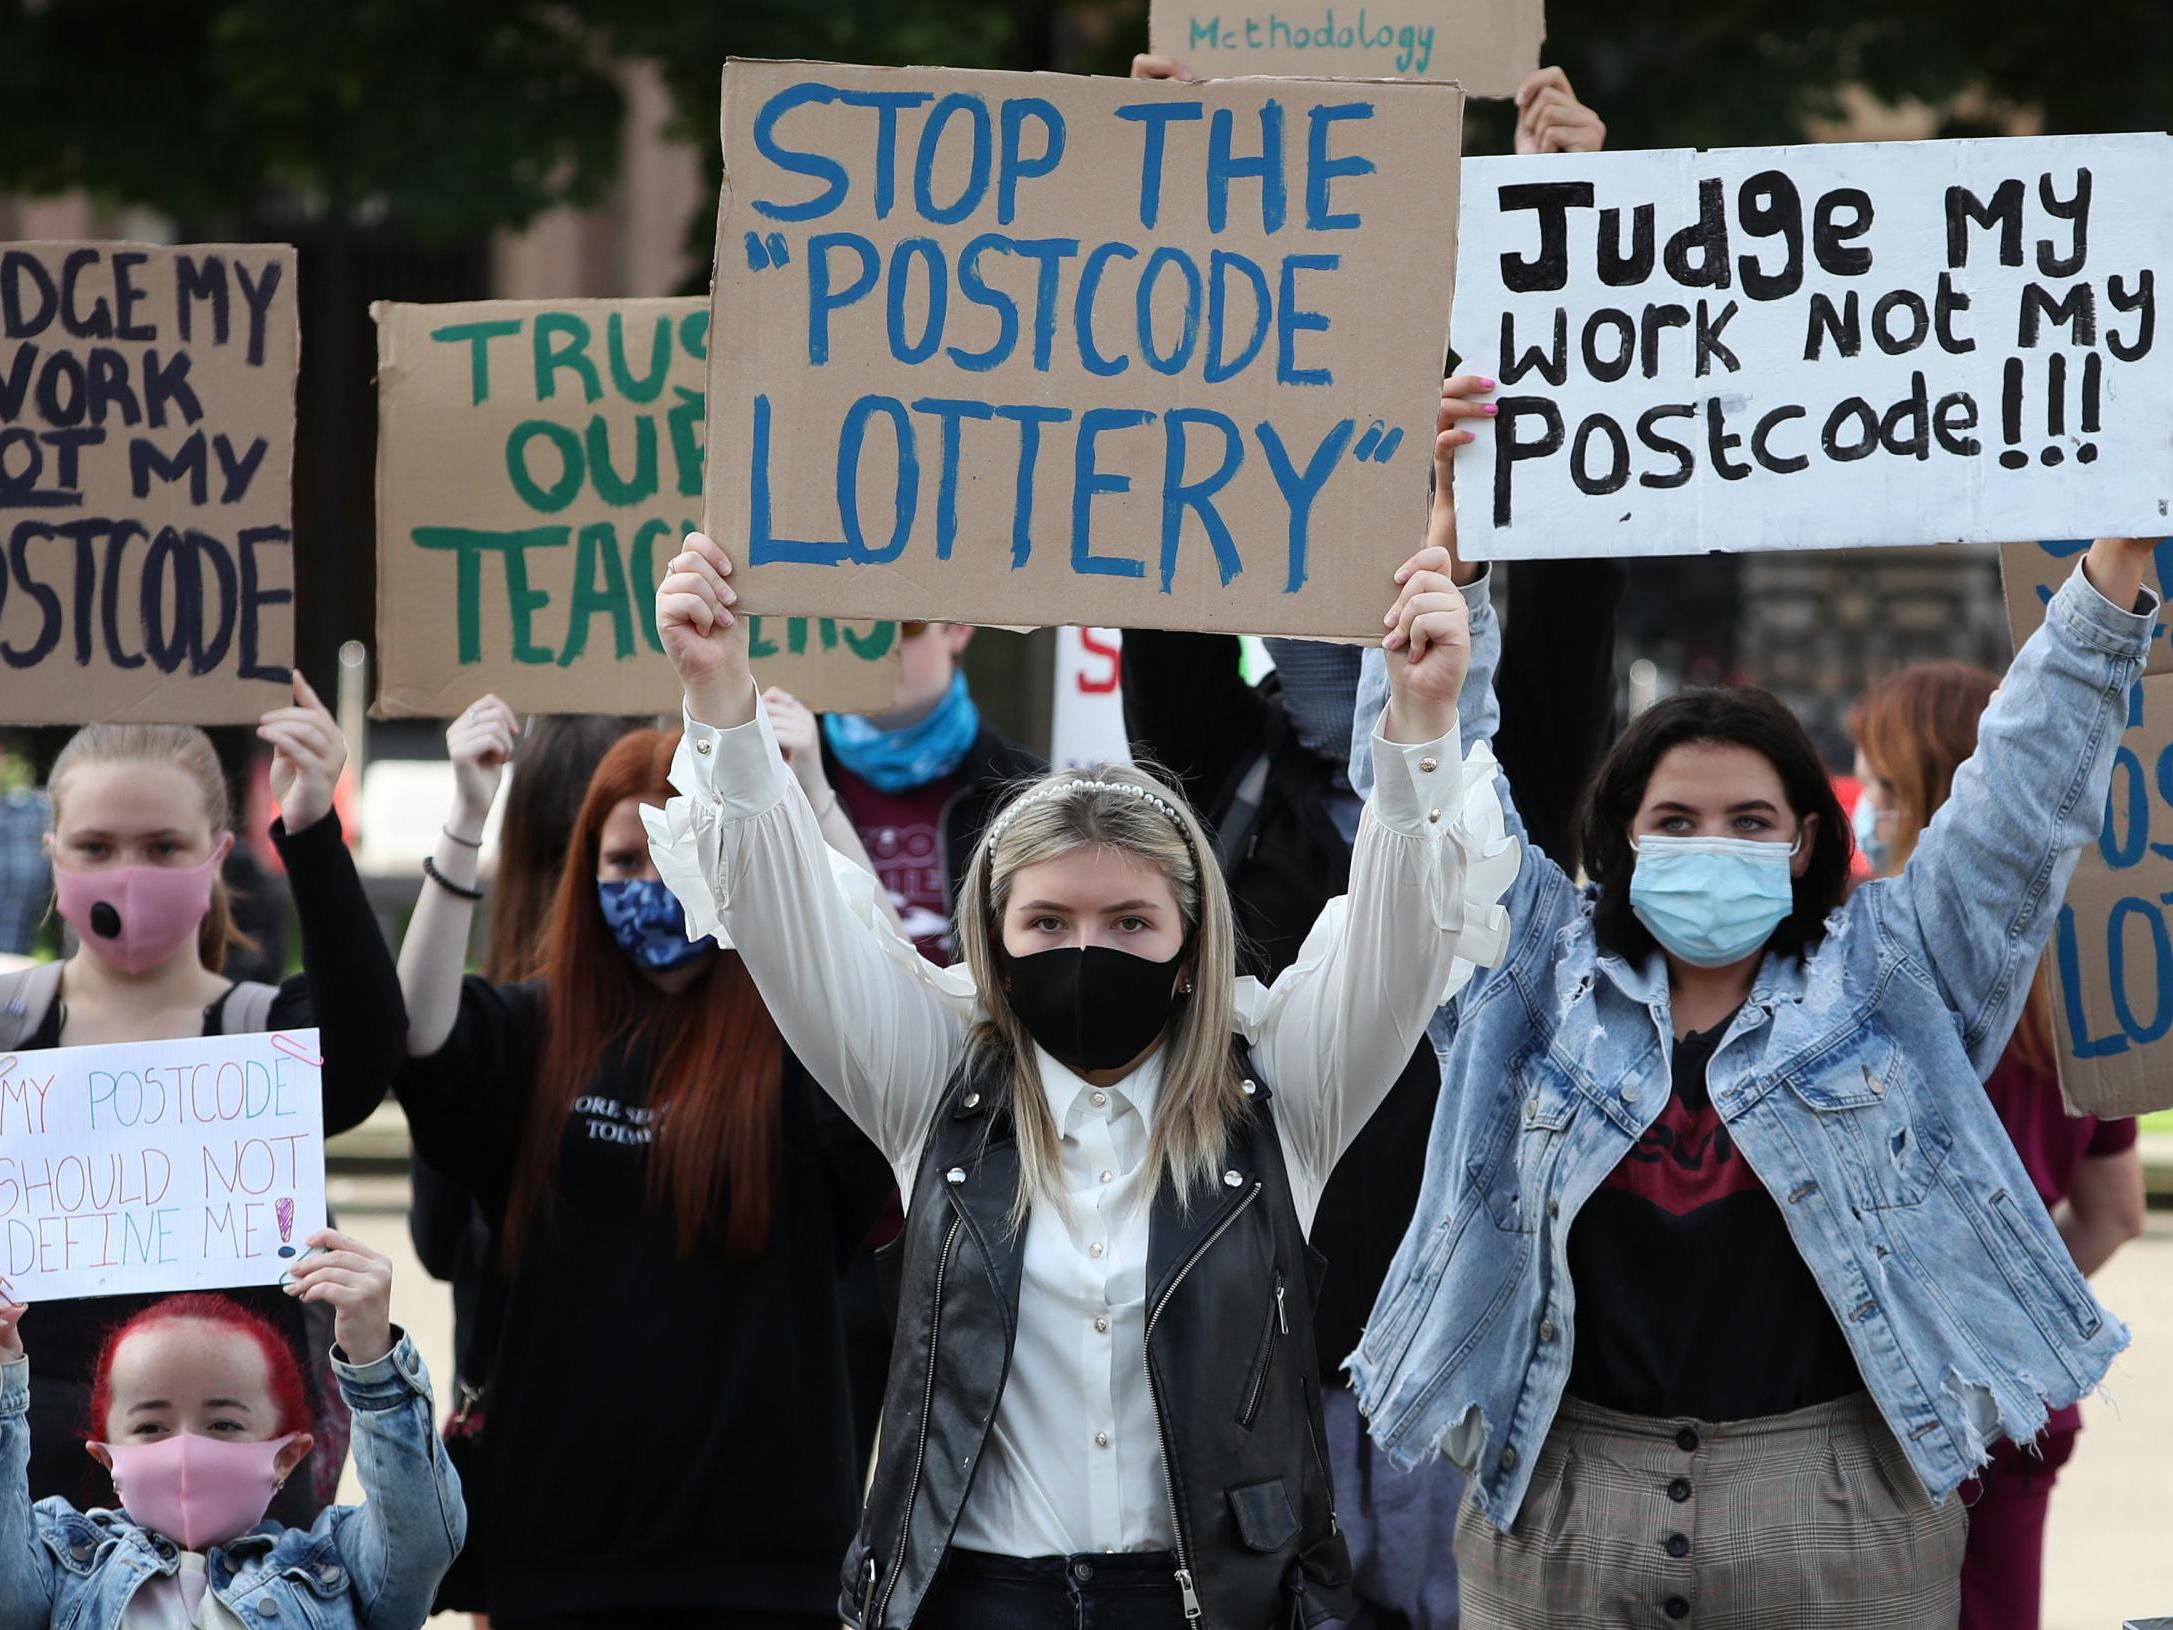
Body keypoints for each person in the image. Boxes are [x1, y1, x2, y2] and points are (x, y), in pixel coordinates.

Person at [1345, 382, 2150, 1625]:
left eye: (1747, 823)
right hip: (1560, 1519)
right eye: (1673, 822)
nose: (1707, 847)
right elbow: (1427, 795)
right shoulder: (1526, 981)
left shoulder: (1897, 974)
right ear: (1615, 843)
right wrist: (1447, 575)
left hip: (1842, 1528)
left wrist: (2112, 559)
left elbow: (2022, 796)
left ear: (1803, 845)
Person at [644, 520, 1513, 1630]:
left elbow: (1402, 918)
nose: (1085, 947)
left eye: (1129, 920)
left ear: (1193, 947)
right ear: (992, 940)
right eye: (1046, 919)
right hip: (975, 1603)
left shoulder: (1279, 1087)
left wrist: (1424, 717)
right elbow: (781, 908)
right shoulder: (934, 1083)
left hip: (1215, 1604)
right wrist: (718, 691)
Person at [386, 695, 894, 1630]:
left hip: (764, 1564)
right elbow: (416, 1038)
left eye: (680, 856)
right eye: (623, 861)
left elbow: (889, 1016)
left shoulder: (802, 1052)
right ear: (583, 875)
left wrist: (813, 799)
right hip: (560, 1551)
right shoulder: (533, 1033)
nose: (652, 883)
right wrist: (464, 819)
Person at [0, 682, 407, 1525]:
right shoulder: (10, 1032)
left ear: (217, 854)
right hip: (25, 1488)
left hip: (231, 1505)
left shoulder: (267, 1037)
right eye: (97, 845)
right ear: (52, 853)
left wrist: (311, 828)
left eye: (161, 846)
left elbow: (367, 1050)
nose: (129, 874)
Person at [1851, 660, 2147, 1630]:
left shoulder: (1856, 972)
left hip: (1866, 1413)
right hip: (2015, 1408)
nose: (1868, 809)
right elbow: (2113, 1211)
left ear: (1946, 798)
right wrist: (2005, 1311)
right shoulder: (2085, 979)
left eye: (1885, 785)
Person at [0, 1235, 464, 1630]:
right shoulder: (60, 1569)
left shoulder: (335, 1569)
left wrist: (373, 1358)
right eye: (150, 1426)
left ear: (286, 1456)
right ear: (106, 1457)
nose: (187, 1450)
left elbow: (417, 1540)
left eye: (223, 1424)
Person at [818, 619, 1043, 963]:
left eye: (906, 626)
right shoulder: (783, 766)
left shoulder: (1026, 790)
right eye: (857, 624)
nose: (876, 647)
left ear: (960, 629)